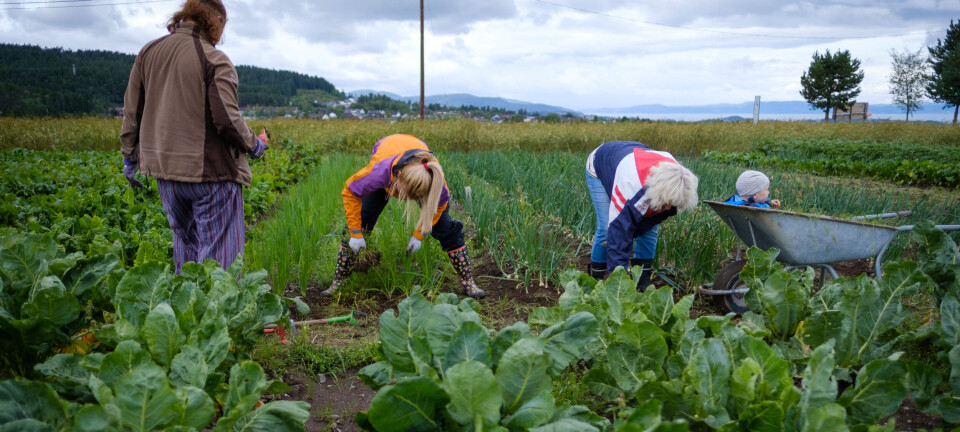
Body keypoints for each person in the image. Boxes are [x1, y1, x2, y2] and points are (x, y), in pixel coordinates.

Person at [120, 0, 269, 273]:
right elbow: (227, 119)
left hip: (166, 175)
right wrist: (255, 145)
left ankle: (183, 312)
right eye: (221, 26)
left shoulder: (148, 52)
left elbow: (132, 111)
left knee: (186, 248)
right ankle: (216, 314)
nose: (220, 36)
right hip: (211, 175)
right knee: (218, 262)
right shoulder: (213, 58)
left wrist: (129, 157)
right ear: (213, 21)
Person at [321, 134, 484, 298]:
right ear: (398, 176)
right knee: (362, 218)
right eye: (405, 194)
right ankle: (338, 282)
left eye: (415, 197)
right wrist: (355, 233)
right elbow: (350, 191)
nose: (407, 200)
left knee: (446, 227)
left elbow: (438, 207)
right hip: (387, 152)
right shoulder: (378, 173)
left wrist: (420, 235)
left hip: (418, 171)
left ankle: (468, 282)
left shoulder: (434, 181)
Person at [586, 141, 699, 291]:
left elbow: (652, 220)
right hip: (600, 165)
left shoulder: (678, 183)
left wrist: (637, 230)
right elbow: (618, 232)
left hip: (636, 162)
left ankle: (642, 281)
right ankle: (595, 281)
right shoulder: (629, 188)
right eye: (665, 203)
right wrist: (620, 285)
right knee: (608, 230)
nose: (667, 208)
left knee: (650, 230)